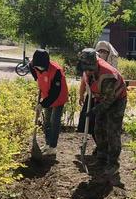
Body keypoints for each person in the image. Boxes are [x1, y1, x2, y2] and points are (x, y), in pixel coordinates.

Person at [77, 48, 127, 185]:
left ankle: (113, 164)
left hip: (116, 100)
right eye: (86, 69)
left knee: (112, 131)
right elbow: (91, 86)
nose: (87, 71)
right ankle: (101, 157)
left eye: (89, 69)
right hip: (101, 99)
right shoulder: (86, 66)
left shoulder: (108, 75)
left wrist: (95, 110)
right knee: (98, 129)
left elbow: (109, 100)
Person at [29, 49, 69, 158]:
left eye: (41, 68)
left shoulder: (56, 71)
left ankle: (53, 147)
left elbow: (55, 93)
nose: (39, 69)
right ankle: (47, 144)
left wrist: (42, 104)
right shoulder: (34, 65)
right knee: (46, 120)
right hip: (46, 95)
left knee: (54, 121)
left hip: (58, 96)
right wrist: (37, 78)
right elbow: (32, 68)